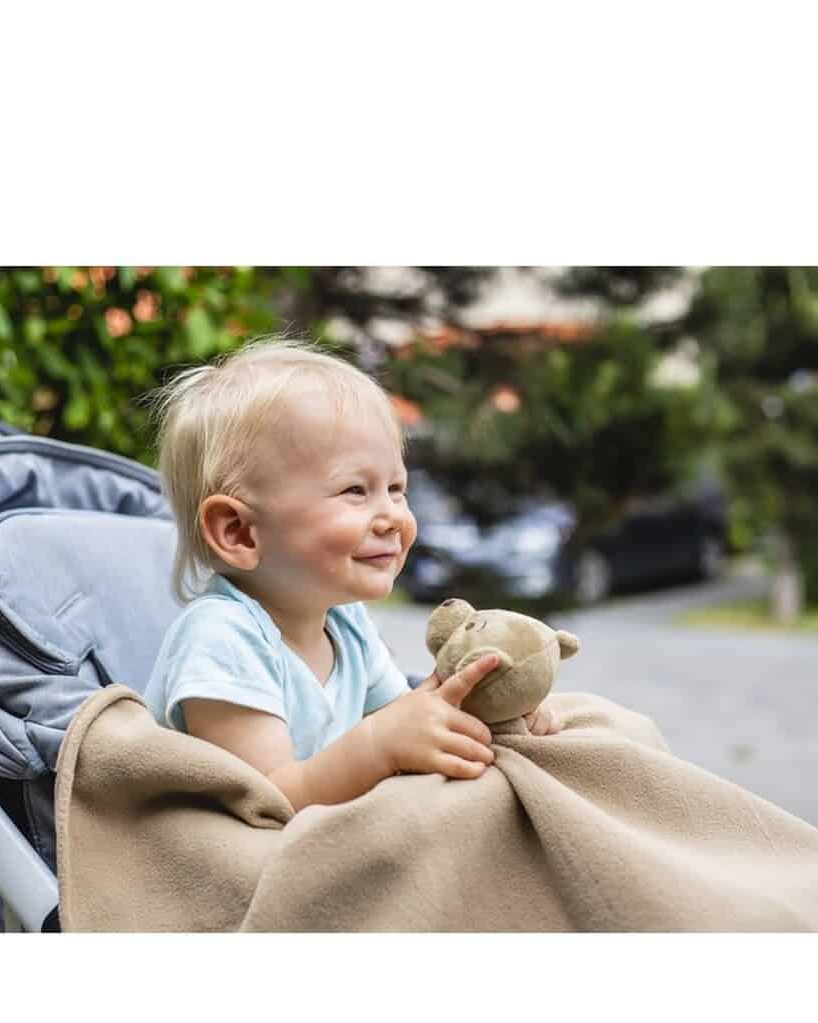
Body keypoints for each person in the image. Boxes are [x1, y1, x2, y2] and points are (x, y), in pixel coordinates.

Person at [143, 337, 560, 813]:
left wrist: (494, 714)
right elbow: (268, 800)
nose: (393, 517)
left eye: (396, 488)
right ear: (238, 531)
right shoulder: (221, 638)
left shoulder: (346, 623)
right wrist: (378, 745)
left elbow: (408, 719)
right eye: (355, 490)